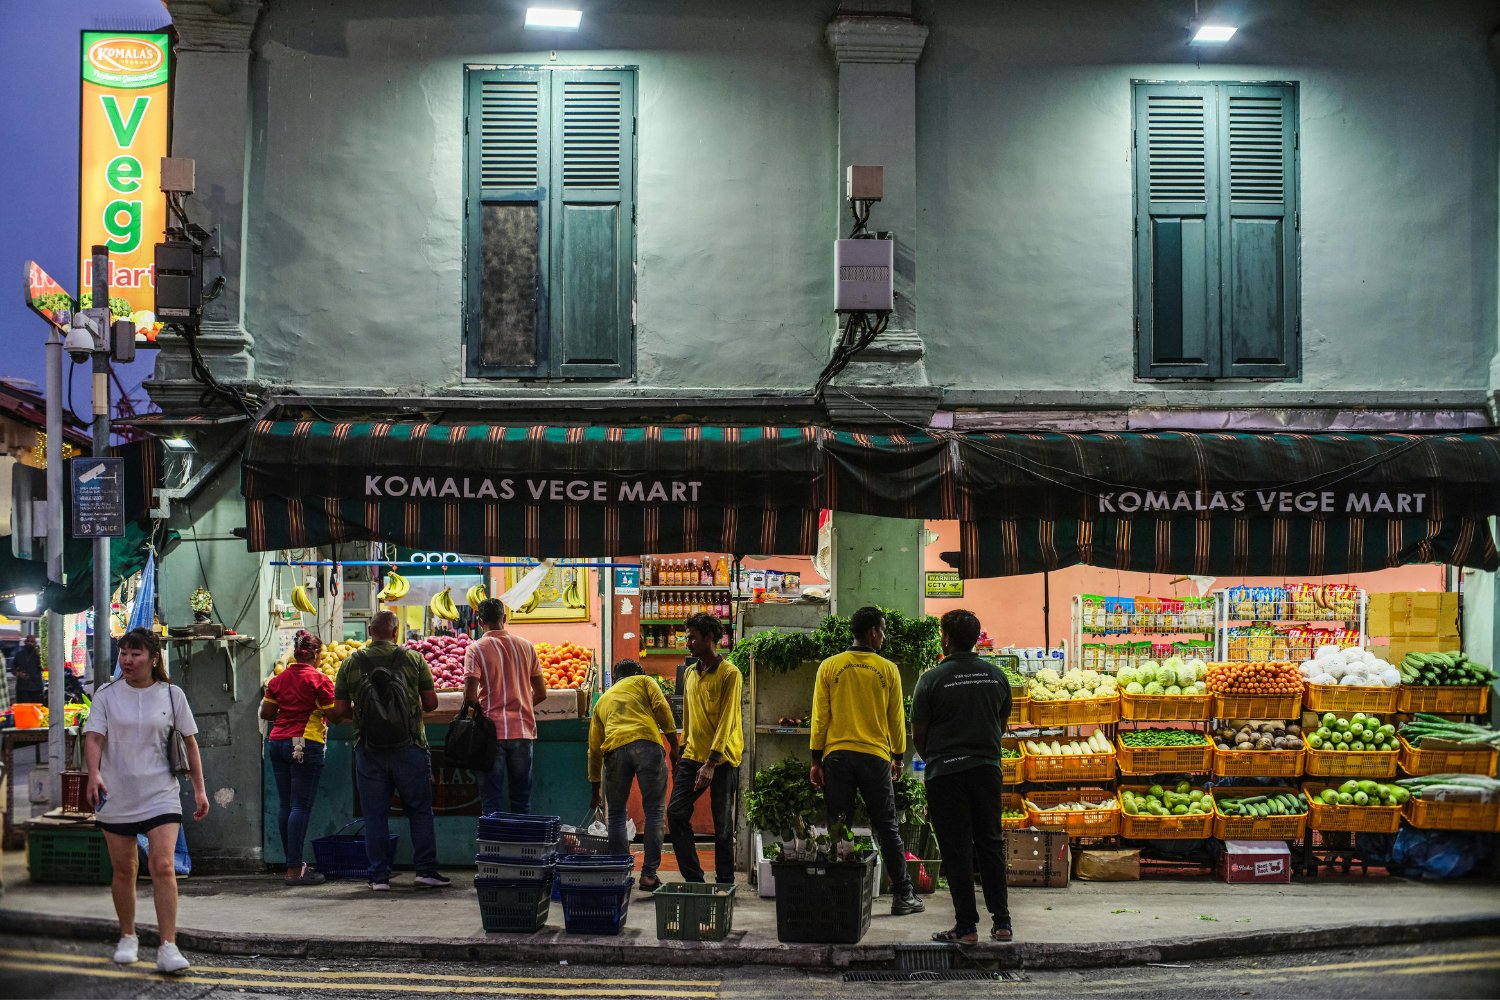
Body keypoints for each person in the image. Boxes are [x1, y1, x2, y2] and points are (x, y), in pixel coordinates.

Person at [83, 628, 209, 974]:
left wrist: (199, 789)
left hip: (161, 794)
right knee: (124, 870)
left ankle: (168, 945)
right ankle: (128, 936)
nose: (128, 660)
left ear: (154, 659)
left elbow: (191, 743)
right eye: (124, 653)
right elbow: (93, 737)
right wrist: (94, 774)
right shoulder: (107, 695)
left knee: (164, 866)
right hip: (116, 793)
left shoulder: (172, 695)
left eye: (136, 654)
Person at [809, 605, 923, 917]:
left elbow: (820, 718)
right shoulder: (887, 670)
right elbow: (896, 720)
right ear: (872, 631)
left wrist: (816, 759)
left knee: (838, 825)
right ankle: (903, 895)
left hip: (838, 757)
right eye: (883, 630)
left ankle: (838, 896)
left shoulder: (830, 667)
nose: (884, 637)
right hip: (875, 758)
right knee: (887, 826)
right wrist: (898, 757)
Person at [910, 609, 1013, 943]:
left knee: (956, 849)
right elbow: (1001, 725)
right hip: (986, 770)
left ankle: (966, 927)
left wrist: (938, 760)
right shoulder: (996, 676)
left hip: (946, 773)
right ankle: (1002, 923)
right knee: (990, 845)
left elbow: (918, 735)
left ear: (947, 638)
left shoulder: (931, 679)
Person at [328, 610, 450, 892]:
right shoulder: (413, 659)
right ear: (395, 632)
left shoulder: (350, 663)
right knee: (419, 810)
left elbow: (340, 711)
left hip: (368, 749)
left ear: (370, 631)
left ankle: (379, 877)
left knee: (374, 815)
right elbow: (431, 704)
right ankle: (425, 872)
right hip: (411, 746)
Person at [588, 659, 679, 892]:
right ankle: (648, 875)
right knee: (655, 811)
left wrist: (595, 788)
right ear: (638, 673)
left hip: (615, 750)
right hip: (647, 744)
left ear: (616, 678)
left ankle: (619, 873)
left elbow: (594, 749)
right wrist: (674, 745)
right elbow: (661, 708)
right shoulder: (645, 680)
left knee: (617, 814)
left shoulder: (603, 700)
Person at [666, 612, 743, 885]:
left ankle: (724, 882)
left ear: (710, 638)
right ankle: (695, 880)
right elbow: (687, 716)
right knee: (676, 813)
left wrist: (711, 762)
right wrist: (684, 750)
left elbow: (728, 719)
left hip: (722, 759)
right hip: (692, 756)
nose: (688, 643)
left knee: (722, 826)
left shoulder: (730, 674)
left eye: (693, 638)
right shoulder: (689, 673)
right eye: (687, 637)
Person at [261, 632, 336, 886]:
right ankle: (295, 870)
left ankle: (292, 863)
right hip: (304, 743)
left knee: (285, 805)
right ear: (315, 655)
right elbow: (334, 715)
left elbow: (266, 711)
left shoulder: (278, 680)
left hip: (277, 742)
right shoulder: (320, 680)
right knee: (299, 807)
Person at [461, 598, 545, 814]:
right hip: (523, 730)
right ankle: (521, 847)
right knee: (521, 803)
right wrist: (522, 704)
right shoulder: (526, 646)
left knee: (491, 804)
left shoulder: (475, 649)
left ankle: (493, 848)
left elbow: (470, 697)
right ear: (504, 618)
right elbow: (542, 693)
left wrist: (487, 711)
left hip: (491, 734)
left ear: (480, 622)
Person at [12, 635, 42, 705]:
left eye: (32, 642)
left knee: (36, 710)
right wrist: (19, 674)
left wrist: (39, 655)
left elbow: (44, 668)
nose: (29, 643)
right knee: (22, 709)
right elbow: (13, 669)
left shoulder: (39, 655)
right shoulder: (19, 654)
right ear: (25, 642)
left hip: (36, 687)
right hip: (22, 688)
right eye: (28, 641)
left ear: (35, 643)